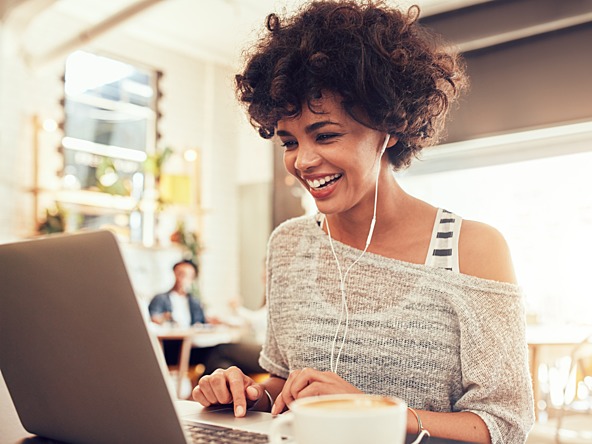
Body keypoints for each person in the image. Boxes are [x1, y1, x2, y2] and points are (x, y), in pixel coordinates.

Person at [192, 1, 535, 443]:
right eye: (289, 141)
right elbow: (284, 388)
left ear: (389, 126)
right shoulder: (288, 245)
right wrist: (245, 395)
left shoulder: (471, 249)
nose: (304, 161)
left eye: (326, 134)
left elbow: (505, 426)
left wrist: (372, 412)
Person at [148, 259, 208, 366]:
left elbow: (202, 322)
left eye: (186, 275)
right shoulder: (160, 298)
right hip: (169, 347)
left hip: (192, 346)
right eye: (179, 274)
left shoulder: (194, 302)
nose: (182, 278)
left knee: (219, 353)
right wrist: (164, 318)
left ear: (192, 278)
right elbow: (152, 319)